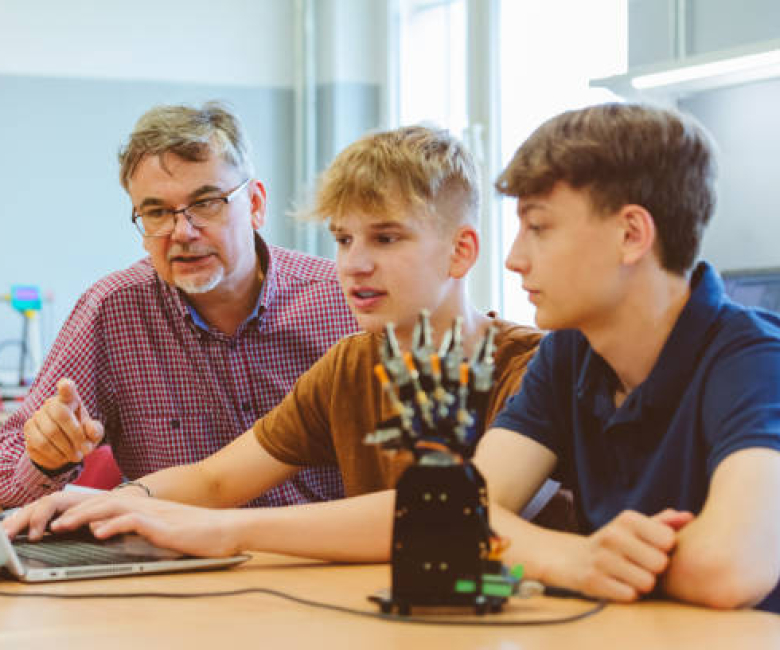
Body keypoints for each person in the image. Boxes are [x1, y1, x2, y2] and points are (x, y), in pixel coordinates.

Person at [5, 125, 557, 558]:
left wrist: (221, 530)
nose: (355, 264)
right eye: (342, 239)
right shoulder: (351, 365)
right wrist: (96, 503)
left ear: (462, 252)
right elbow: (216, 477)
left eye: (386, 239)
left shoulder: (531, 368)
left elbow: (458, 510)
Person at [471, 103, 780, 612]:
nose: (514, 258)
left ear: (631, 235)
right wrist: (573, 559)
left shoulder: (754, 358)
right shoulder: (569, 350)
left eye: (540, 228)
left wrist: (572, 559)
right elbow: (459, 514)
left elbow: (731, 567)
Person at [0, 102, 357, 507]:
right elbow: (7, 465)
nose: (182, 232)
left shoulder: (344, 301)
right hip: (178, 565)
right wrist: (45, 458)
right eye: (156, 212)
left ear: (255, 205)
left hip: (328, 560)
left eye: (206, 203)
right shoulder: (113, 311)